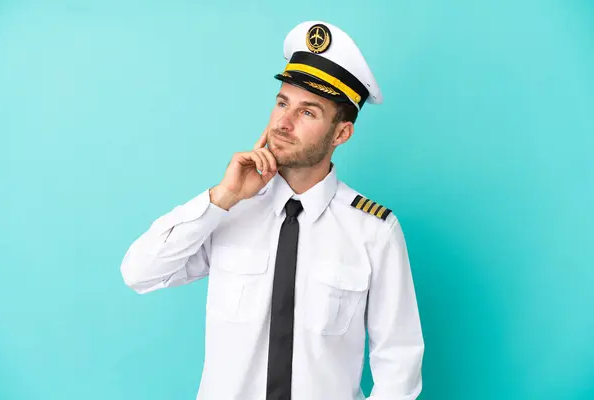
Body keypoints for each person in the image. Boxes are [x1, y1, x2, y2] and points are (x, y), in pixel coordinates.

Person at [120, 20, 424, 400]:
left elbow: (399, 361)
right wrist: (222, 198)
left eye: (307, 112)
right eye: (282, 103)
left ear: (341, 134)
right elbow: (139, 272)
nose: (283, 123)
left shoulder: (374, 231)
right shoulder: (228, 210)